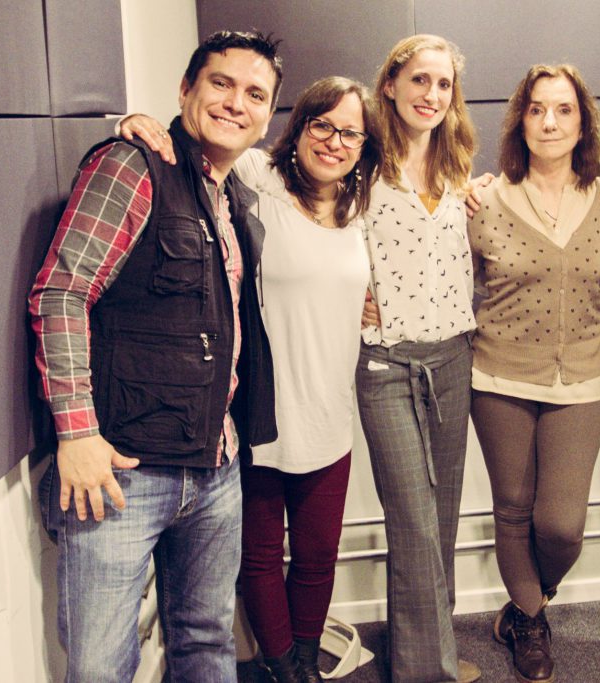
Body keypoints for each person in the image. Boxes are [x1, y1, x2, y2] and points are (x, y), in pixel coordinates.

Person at [29, 30, 282, 682]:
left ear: (266, 117)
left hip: (216, 464)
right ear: (185, 89)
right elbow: (62, 292)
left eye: (255, 94)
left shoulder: (234, 194)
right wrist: (76, 432)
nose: (236, 103)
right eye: (221, 83)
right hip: (122, 471)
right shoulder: (131, 166)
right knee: (101, 667)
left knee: (206, 642)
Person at [120, 75, 384, 683]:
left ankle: (306, 659)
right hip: (260, 411)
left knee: (317, 556)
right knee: (260, 556)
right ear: (299, 127)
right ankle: (283, 665)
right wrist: (137, 123)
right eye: (322, 124)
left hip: (330, 412)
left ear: (364, 146)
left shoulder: (363, 207)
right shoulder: (258, 178)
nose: (335, 141)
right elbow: (201, 143)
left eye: (350, 133)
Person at [468, 64, 600, 683]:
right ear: (520, 121)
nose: (549, 122)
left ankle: (532, 594)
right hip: (498, 376)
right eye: (536, 109)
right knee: (512, 509)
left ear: (583, 123)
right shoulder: (483, 200)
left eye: (563, 109)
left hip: (582, 378)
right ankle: (529, 622)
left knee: (561, 526)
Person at [357, 34, 481, 683]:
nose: (432, 95)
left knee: (443, 514)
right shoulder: (359, 163)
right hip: (386, 364)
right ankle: (429, 671)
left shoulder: (459, 170)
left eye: (443, 84)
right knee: (412, 517)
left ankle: (429, 650)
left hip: (453, 356)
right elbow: (280, 194)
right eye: (420, 80)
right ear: (391, 84)